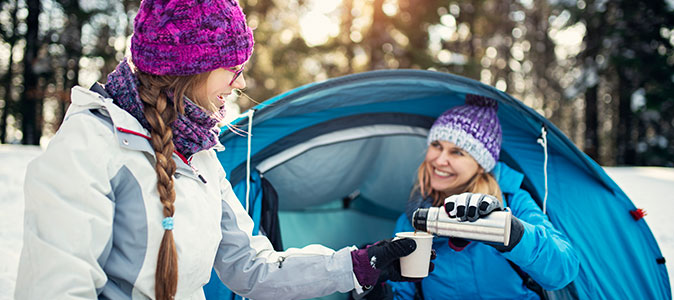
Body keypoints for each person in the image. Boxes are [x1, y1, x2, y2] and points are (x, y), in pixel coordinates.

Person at [14, 1, 422, 299]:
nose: (240, 84)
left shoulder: (200, 154)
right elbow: (55, 289)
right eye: (233, 70)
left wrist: (355, 265)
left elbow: (251, 266)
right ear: (189, 70)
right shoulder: (89, 147)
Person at [379, 94, 580, 299]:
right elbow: (402, 293)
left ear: (481, 164)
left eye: (457, 152)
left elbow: (562, 270)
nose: (439, 161)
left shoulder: (513, 202)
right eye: (437, 145)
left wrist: (509, 232)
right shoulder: (412, 219)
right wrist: (378, 292)